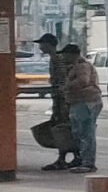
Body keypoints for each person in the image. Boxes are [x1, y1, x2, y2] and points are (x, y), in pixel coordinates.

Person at [33, 32, 76, 171]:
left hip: (62, 98)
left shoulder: (58, 59)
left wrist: (62, 97)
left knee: (62, 128)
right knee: (62, 127)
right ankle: (70, 155)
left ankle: (66, 157)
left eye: (42, 44)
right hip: (58, 97)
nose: (40, 47)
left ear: (49, 45)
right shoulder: (54, 59)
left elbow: (64, 79)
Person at [56, 41, 100, 175]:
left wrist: (66, 87)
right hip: (80, 102)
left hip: (85, 102)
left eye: (65, 55)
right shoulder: (75, 66)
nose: (63, 58)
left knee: (85, 133)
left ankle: (88, 163)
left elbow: (83, 81)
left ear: (72, 55)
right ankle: (83, 160)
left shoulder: (81, 66)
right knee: (80, 132)